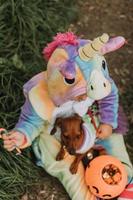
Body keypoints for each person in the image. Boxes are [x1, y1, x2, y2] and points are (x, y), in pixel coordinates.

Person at [2, 32, 133, 200]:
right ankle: (85, 195)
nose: (86, 97)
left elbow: (109, 96)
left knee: (114, 140)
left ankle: (125, 178)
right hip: (55, 133)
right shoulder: (42, 94)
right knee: (61, 163)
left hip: (90, 120)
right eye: (82, 94)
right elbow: (30, 121)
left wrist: (108, 122)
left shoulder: (97, 78)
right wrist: (21, 136)